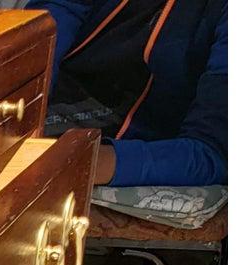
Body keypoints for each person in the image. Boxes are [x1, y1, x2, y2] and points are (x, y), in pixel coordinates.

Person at [35, 1, 227, 187]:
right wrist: (30, 87)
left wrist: (87, 162)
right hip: (52, 111)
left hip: (130, 153)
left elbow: (213, 152)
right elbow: (59, 10)